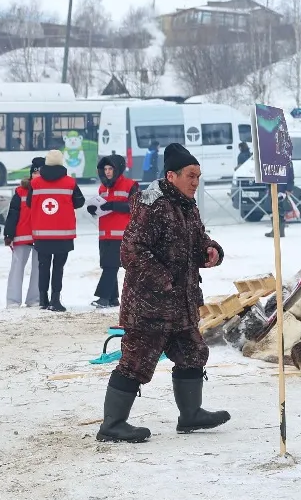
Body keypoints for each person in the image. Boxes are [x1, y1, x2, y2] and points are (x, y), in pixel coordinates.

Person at [97, 143, 229, 444]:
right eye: (190, 176)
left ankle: (191, 414)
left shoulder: (187, 206)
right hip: (150, 305)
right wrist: (164, 280)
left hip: (181, 304)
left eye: (198, 176)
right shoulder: (151, 205)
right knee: (136, 362)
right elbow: (131, 251)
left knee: (193, 352)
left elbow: (197, 240)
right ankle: (112, 425)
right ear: (171, 176)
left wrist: (211, 250)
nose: (196, 182)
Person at [28, 150, 85, 312]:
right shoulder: (70, 182)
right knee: (58, 267)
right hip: (63, 233)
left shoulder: (35, 183)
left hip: (42, 233)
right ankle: (55, 299)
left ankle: (43, 299)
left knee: (43, 266)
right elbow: (79, 202)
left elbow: (30, 203)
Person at [90, 154, 139, 309]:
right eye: (105, 169)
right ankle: (113, 299)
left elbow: (135, 207)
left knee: (111, 266)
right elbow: (101, 207)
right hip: (104, 233)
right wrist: (93, 209)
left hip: (122, 233)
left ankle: (103, 297)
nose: (107, 172)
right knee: (108, 265)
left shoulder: (131, 185)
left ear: (118, 169)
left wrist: (113, 205)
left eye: (110, 168)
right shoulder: (102, 188)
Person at [3, 157, 46, 308]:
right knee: (16, 268)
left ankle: (34, 299)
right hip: (22, 235)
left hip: (41, 235)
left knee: (39, 269)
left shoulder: (47, 190)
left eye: (41, 173)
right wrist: (8, 234)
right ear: (31, 174)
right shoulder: (21, 191)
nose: (37, 176)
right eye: (35, 173)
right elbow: (13, 213)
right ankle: (13, 300)